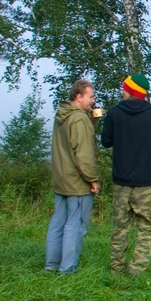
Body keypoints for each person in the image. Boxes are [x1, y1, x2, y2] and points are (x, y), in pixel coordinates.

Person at [101, 73, 151, 276]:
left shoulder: (114, 113)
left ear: (130, 91)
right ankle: (136, 270)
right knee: (145, 228)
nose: (122, 91)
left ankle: (116, 268)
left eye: (124, 88)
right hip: (145, 183)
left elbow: (106, 141)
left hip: (121, 182)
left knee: (120, 227)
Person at [46, 79, 99, 273]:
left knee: (58, 222)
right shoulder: (79, 119)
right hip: (77, 182)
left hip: (61, 178)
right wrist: (92, 179)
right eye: (91, 96)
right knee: (75, 226)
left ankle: (51, 264)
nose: (93, 100)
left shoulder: (62, 115)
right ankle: (67, 268)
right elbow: (83, 154)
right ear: (79, 96)